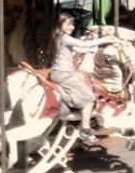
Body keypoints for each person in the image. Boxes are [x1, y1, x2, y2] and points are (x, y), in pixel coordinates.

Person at [48, 12, 115, 147]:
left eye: (72, 24)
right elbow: (80, 44)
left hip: (61, 72)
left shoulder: (59, 37)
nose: (71, 27)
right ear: (60, 25)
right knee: (90, 98)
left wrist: (94, 47)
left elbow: (79, 48)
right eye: (68, 24)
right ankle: (85, 130)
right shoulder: (64, 38)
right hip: (64, 74)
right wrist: (104, 40)